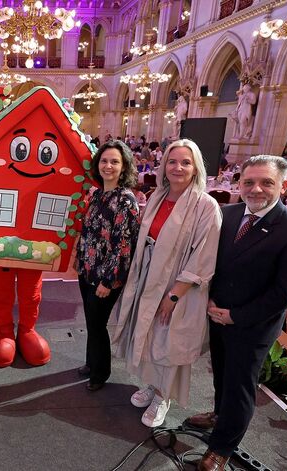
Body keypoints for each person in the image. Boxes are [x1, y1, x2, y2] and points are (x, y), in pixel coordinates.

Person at [190, 155, 287, 471]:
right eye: (248, 182)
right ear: (239, 184)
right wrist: (209, 301)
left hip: (253, 325)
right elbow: (212, 263)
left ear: (284, 186)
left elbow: (286, 293)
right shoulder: (228, 214)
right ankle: (220, 415)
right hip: (217, 315)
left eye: (266, 182)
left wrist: (236, 316)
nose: (256, 189)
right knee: (222, 374)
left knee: (240, 386)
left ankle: (221, 448)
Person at [111, 139, 222, 428]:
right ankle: (151, 384)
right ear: (164, 166)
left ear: (196, 167)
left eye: (186, 162)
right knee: (147, 333)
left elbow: (204, 257)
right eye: (172, 161)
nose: (178, 167)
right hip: (149, 274)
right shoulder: (159, 195)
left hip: (179, 286)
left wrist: (174, 296)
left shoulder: (205, 206)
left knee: (167, 341)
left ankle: (164, 396)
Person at [75, 141, 141, 391]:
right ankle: (92, 363)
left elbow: (124, 245)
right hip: (87, 269)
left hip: (106, 276)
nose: (108, 166)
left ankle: (100, 373)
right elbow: (88, 233)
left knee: (98, 323)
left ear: (124, 166)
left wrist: (108, 280)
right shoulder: (95, 193)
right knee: (91, 321)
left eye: (115, 161)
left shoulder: (126, 200)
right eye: (104, 161)